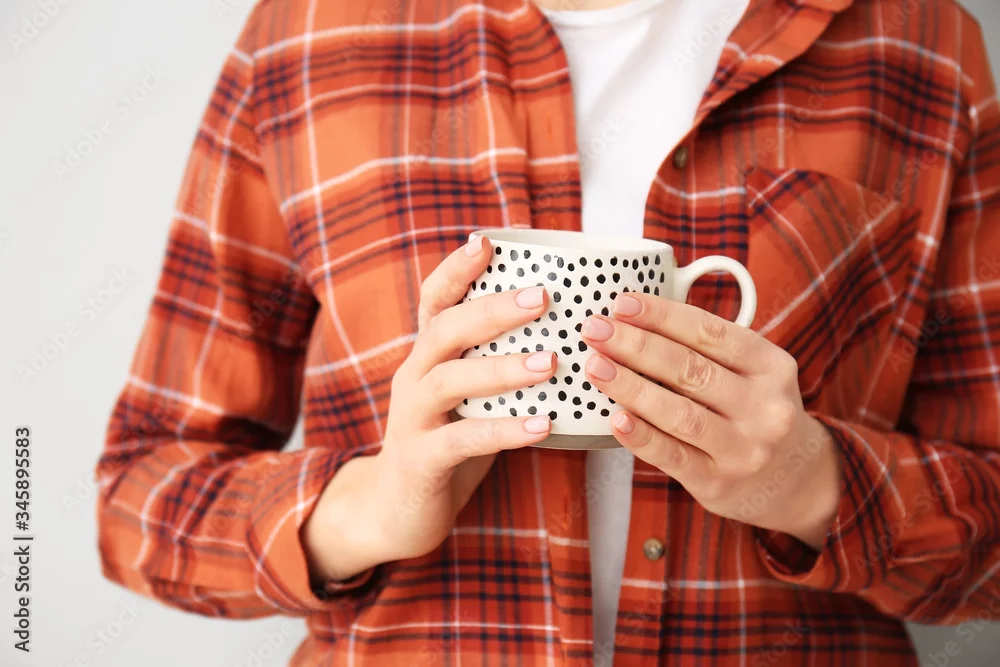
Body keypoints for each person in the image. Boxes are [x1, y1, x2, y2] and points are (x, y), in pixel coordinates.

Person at [96, 0, 1000, 664]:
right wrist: (368, 507)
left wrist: (817, 486)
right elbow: (138, 497)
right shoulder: (304, 40)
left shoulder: (918, 44)